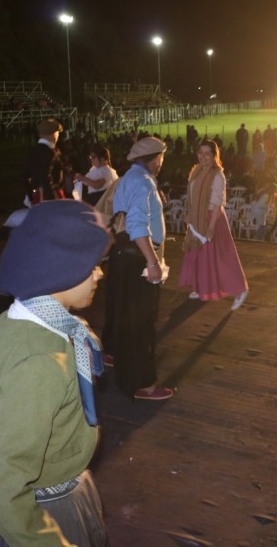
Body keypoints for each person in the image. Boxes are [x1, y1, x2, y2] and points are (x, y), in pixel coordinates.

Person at [0, 200, 111, 546]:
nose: (100, 273)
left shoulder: (14, 323)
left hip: (66, 488)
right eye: (92, 266)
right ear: (60, 270)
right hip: (49, 512)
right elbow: (3, 484)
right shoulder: (40, 363)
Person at [102, 137, 174, 400]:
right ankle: (143, 385)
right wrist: (152, 262)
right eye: (161, 159)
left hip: (122, 256)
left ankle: (127, 377)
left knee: (126, 321)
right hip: (137, 259)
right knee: (142, 325)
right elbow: (136, 226)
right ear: (156, 159)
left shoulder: (127, 179)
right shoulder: (143, 184)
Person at [178, 140, 249, 310]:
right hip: (198, 217)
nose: (203, 157)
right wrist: (190, 214)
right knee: (197, 254)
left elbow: (218, 202)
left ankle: (240, 289)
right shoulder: (196, 171)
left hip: (212, 218)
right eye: (200, 153)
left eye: (207, 153)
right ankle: (199, 286)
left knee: (222, 256)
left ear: (214, 156)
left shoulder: (217, 175)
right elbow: (193, 196)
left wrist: (210, 227)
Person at [23, 118, 66, 204]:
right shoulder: (50, 152)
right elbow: (45, 176)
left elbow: (24, 175)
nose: (58, 135)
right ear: (52, 134)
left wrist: (31, 196)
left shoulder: (33, 151)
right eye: (57, 132)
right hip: (51, 196)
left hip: (38, 196)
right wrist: (54, 197)